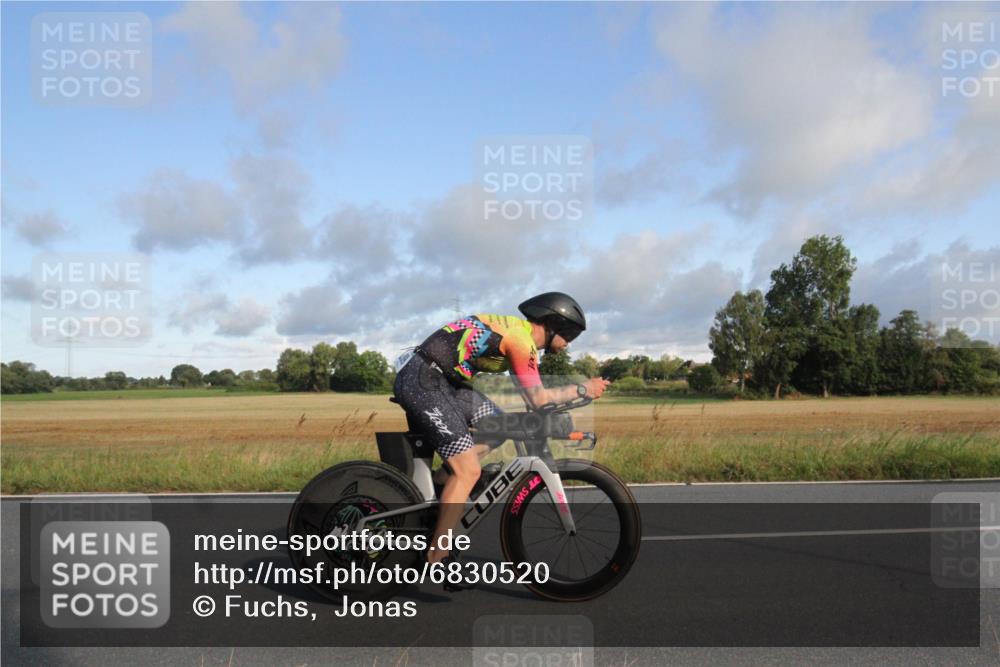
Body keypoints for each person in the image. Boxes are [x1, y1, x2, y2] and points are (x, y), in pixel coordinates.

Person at [392, 292, 610, 573]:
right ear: (553, 323)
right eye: (569, 334)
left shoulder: (519, 334)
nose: (569, 343)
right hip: (425, 379)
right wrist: (582, 389)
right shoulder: (521, 341)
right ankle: (438, 557)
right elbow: (538, 399)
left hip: (445, 381)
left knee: (497, 427)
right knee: (468, 470)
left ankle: (440, 490)